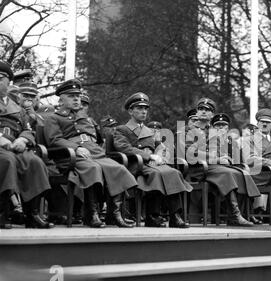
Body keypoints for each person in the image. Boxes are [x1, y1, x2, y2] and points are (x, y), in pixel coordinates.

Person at [43, 79, 138, 228]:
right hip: (69, 157)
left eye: (77, 96)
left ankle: (114, 214)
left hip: (94, 153)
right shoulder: (53, 118)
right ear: (61, 99)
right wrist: (75, 148)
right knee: (92, 168)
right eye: (71, 96)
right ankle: (91, 214)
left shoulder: (85, 119)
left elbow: (95, 138)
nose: (76, 99)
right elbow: (54, 140)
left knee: (118, 168)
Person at [113, 92, 192, 228]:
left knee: (173, 173)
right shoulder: (122, 129)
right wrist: (149, 156)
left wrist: (160, 155)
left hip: (153, 164)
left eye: (145, 109)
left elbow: (161, 146)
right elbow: (124, 147)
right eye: (139, 108)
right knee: (156, 174)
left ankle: (175, 216)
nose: (144, 112)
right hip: (136, 164)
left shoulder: (149, 131)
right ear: (131, 111)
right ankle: (152, 216)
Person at [182, 97, 255, 226]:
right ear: (197, 112)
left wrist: (224, 157)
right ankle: (234, 215)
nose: (203, 111)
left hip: (213, 168)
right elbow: (190, 153)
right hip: (197, 168)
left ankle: (242, 213)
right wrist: (216, 158)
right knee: (227, 173)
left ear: (212, 115)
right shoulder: (189, 130)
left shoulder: (214, 132)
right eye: (201, 109)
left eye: (207, 109)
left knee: (241, 173)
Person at [0, 60, 53, 229]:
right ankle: (2, 213)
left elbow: (27, 128)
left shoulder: (17, 106)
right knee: (8, 161)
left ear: (8, 82)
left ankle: (33, 214)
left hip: (15, 145)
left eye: (1, 78)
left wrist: (23, 139)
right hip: (2, 147)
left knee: (34, 162)